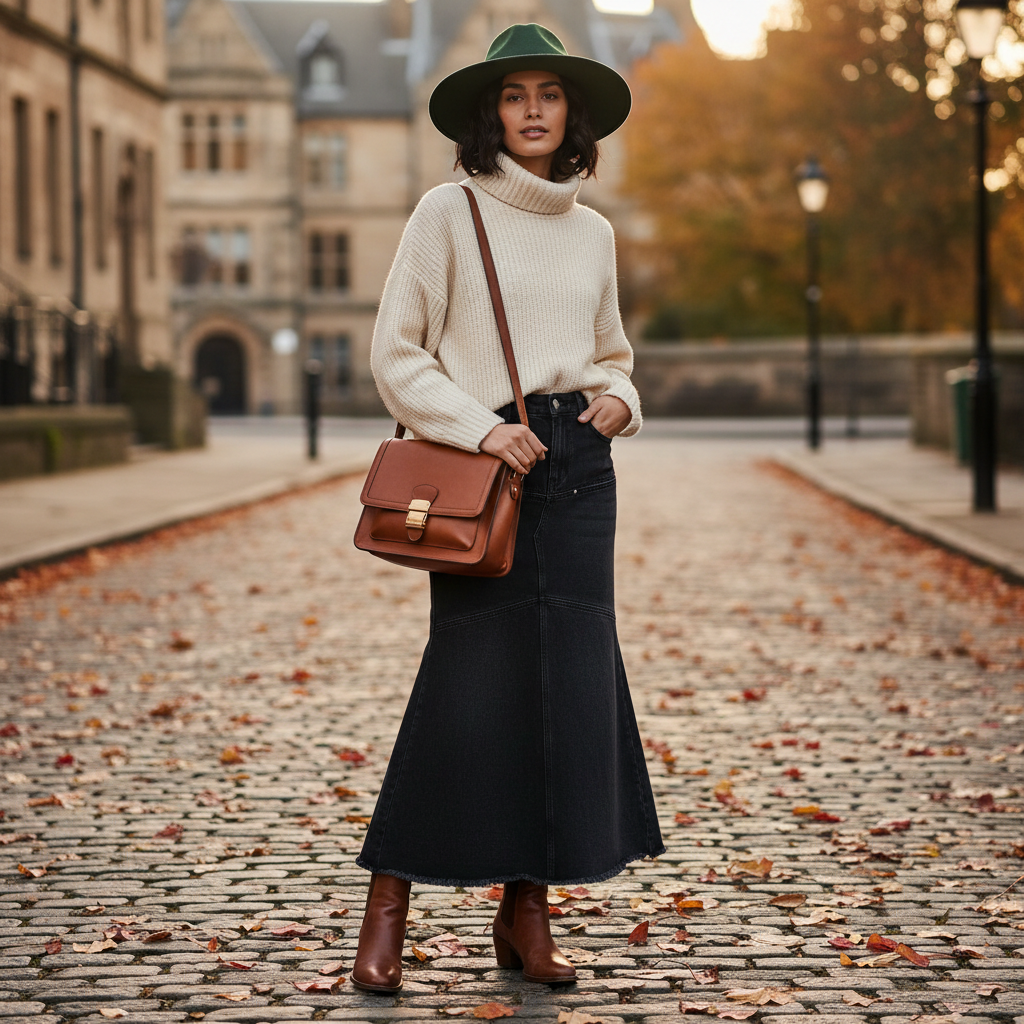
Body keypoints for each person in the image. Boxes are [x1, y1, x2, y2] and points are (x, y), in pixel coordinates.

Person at [352, 23, 664, 993]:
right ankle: (388, 902)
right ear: (490, 112)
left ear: (572, 113)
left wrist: (624, 398)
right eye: (515, 93)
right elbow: (396, 353)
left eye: (550, 93)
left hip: (581, 471)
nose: (533, 109)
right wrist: (478, 429)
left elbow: (609, 350)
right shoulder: (448, 212)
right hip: (489, 470)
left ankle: (526, 913)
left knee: (566, 698)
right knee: (466, 688)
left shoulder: (594, 231)